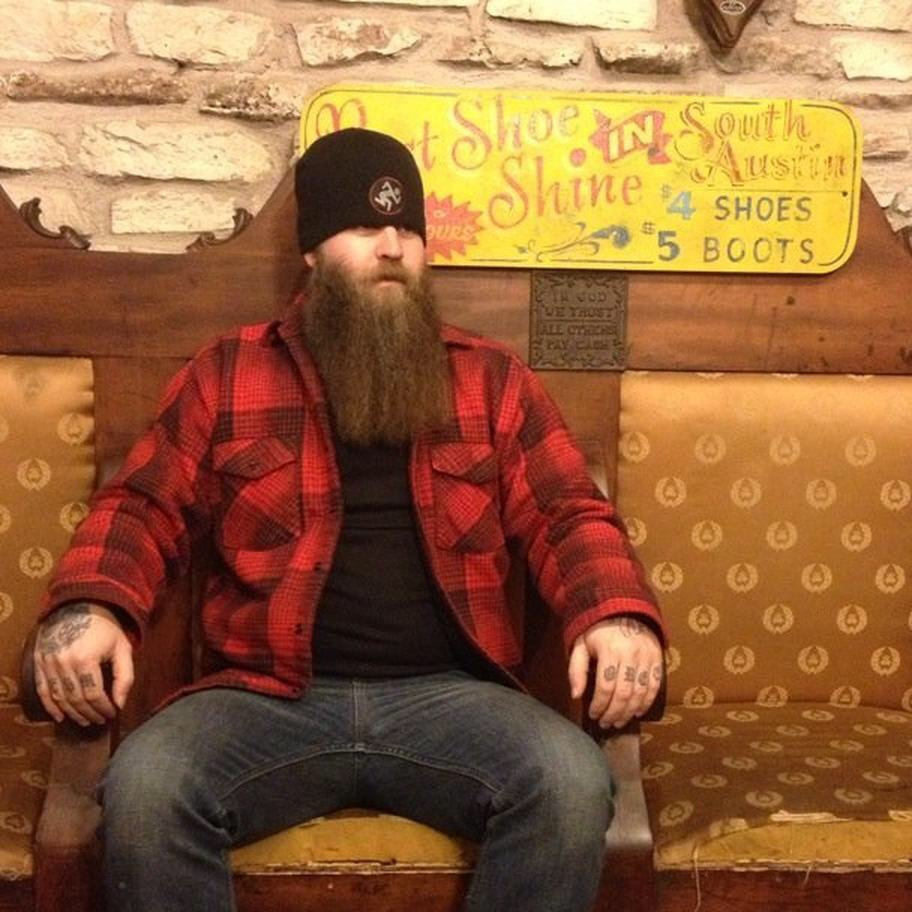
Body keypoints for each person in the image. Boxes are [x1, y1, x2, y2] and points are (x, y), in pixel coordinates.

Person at [32, 128, 665, 912]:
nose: (392, 247)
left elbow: (568, 512)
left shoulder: (493, 380)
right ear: (312, 251)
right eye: (364, 227)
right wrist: (93, 605)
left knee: (569, 781)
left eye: (407, 231)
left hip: (452, 700)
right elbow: (142, 504)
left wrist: (614, 615)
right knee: (149, 786)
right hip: (266, 697)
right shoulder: (228, 372)